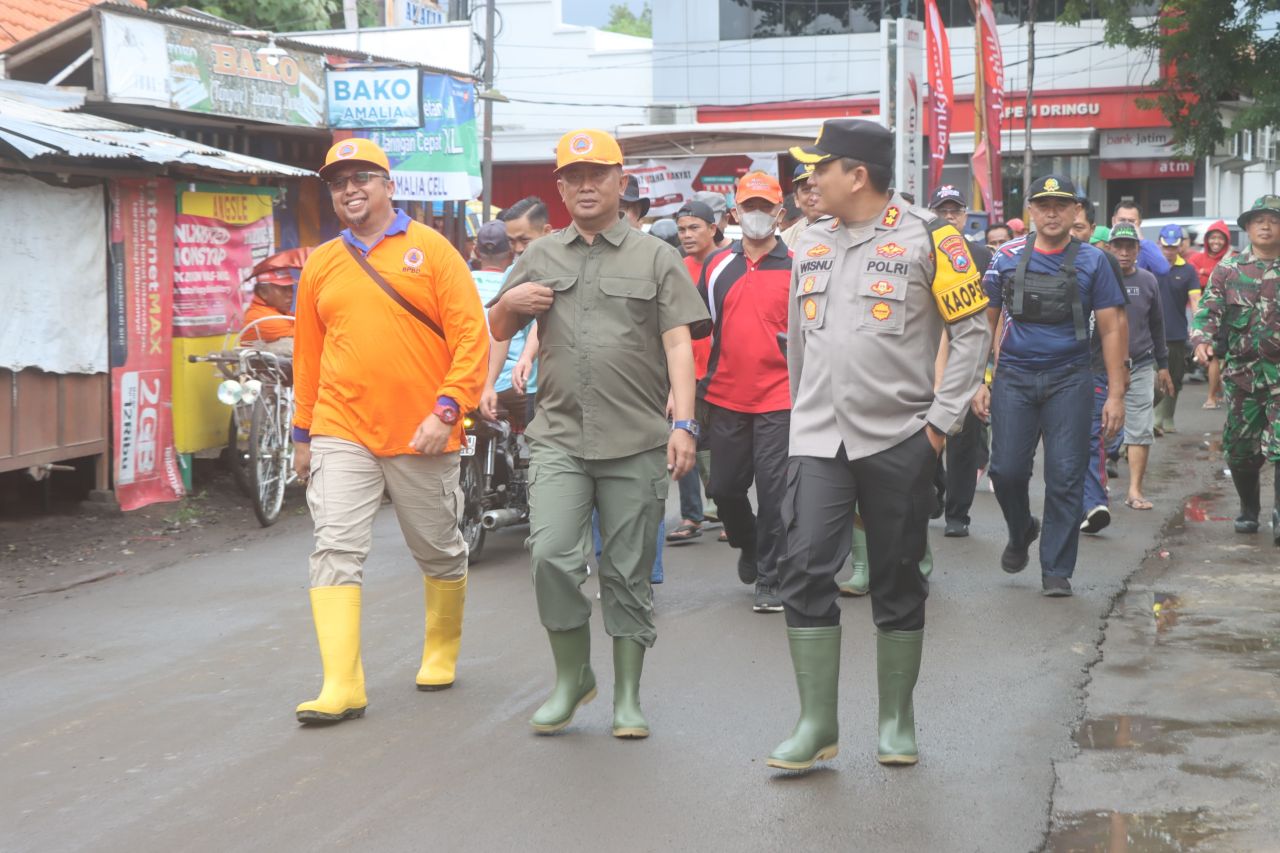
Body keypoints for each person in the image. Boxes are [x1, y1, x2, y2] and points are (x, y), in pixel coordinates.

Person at [767, 119, 990, 772]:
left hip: (900, 436)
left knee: (896, 576)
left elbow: (972, 333)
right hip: (817, 437)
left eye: (820, 168)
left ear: (856, 175)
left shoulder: (933, 238)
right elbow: (799, 341)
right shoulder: (808, 241)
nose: (809, 182)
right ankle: (816, 723)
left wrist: (940, 424)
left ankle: (896, 719)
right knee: (805, 564)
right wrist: (800, 417)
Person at [488, 128, 710, 739]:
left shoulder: (656, 257)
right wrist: (517, 302)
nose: (585, 186)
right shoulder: (539, 255)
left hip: (636, 438)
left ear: (620, 181)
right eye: (572, 177)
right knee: (550, 557)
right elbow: (498, 324)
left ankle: (629, 697)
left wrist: (684, 423)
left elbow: (678, 345)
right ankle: (572, 678)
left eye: (597, 175)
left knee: (628, 569)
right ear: (559, 187)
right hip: (558, 433)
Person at [290, 138, 490, 724]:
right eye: (338, 181)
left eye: (362, 178)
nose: (350, 189)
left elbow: (471, 341)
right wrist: (303, 435)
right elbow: (308, 355)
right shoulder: (322, 263)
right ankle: (341, 684)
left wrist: (447, 411)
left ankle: (441, 648)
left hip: (422, 431)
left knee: (438, 549)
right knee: (334, 548)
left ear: (388, 185)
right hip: (340, 426)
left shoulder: (433, 251)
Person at [971, 174, 1128, 598]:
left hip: (1071, 380)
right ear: (1032, 212)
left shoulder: (1095, 261)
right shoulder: (1003, 257)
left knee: (1064, 476)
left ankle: (1056, 569)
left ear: (1077, 211)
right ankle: (1021, 529)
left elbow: (1113, 328)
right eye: (1044, 204)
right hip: (1013, 379)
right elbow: (985, 325)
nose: (1053, 212)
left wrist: (1115, 394)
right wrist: (978, 381)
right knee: (1005, 470)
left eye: (1062, 204)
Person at [695, 171, 793, 613]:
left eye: (764, 207)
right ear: (734, 213)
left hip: (782, 397)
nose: (756, 215)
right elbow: (697, 330)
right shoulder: (717, 267)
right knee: (724, 488)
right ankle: (749, 543)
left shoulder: (798, 266)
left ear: (780, 213)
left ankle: (770, 578)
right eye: (748, 206)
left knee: (775, 493)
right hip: (725, 396)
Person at [1190, 195, 1280, 546]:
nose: (1266, 225)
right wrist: (1202, 340)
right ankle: (1249, 507)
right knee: (1241, 452)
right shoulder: (1229, 270)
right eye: (1259, 219)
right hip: (1243, 378)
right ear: (1247, 227)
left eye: (1273, 219)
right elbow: (1208, 311)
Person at [928, 185, 992, 538]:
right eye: (942, 211)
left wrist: (984, 374)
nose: (949, 217)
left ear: (965, 216)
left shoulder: (982, 256)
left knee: (965, 440)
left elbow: (991, 317)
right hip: (925, 359)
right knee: (924, 436)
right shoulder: (920, 251)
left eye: (955, 211)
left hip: (968, 358)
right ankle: (934, 489)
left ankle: (958, 513)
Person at [667, 200, 727, 544]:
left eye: (694, 228)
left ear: (712, 228)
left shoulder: (729, 261)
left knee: (722, 448)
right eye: (682, 229)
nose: (687, 235)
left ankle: (726, 511)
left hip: (724, 370)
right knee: (681, 435)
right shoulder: (677, 267)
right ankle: (692, 515)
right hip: (686, 369)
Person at [1107, 223, 1175, 511]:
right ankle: (1096, 488)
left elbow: (1157, 325)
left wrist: (1163, 365)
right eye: (1118, 246)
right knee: (1099, 429)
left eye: (1129, 247)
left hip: (1141, 363)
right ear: (1109, 248)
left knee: (1141, 429)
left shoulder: (1148, 281)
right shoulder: (1099, 277)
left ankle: (1134, 490)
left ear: (1138, 249)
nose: (1124, 252)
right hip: (1104, 367)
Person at [471, 222, 537, 430]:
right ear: (511, 252)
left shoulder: (461, 279)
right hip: (516, 383)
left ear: (475, 251)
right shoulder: (520, 281)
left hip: (467, 380)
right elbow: (504, 333)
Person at [1154, 224, 1201, 435]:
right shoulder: (1149, 267)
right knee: (1154, 379)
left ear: (1180, 247)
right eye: (1165, 247)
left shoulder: (1188, 270)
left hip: (1177, 334)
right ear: (1159, 244)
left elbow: (1195, 300)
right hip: (1151, 334)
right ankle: (1155, 418)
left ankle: (1168, 416)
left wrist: (1199, 326)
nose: (1169, 252)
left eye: (1173, 247)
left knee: (1174, 377)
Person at [1189, 220, 1233, 409]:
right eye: (1212, 237)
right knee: (1212, 354)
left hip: (1230, 313)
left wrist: (1204, 274)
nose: (1216, 241)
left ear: (1226, 240)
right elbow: (1194, 282)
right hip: (1205, 312)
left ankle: (1221, 391)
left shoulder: (1233, 259)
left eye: (1220, 238)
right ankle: (1212, 396)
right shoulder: (1196, 259)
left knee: (1228, 354)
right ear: (1206, 240)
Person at [240, 267, 297, 356]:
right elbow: (308, 334)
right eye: (283, 289)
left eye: (291, 288)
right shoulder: (262, 317)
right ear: (263, 292)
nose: (290, 294)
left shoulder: (280, 312)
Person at [1111, 201, 1170, 277]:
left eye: (1131, 221)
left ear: (1139, 223)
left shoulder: (1144, 246)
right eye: (1122, 220)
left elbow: (1163, 270)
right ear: (1113, 221)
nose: (1126, 224)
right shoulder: (1104, 241)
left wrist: (1141, 240)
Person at [781, 162, 821, 247]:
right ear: (796, 199)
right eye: (806, 190)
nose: (814, 197)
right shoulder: (785, 241)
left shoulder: (851, 230)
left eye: (819, 188)